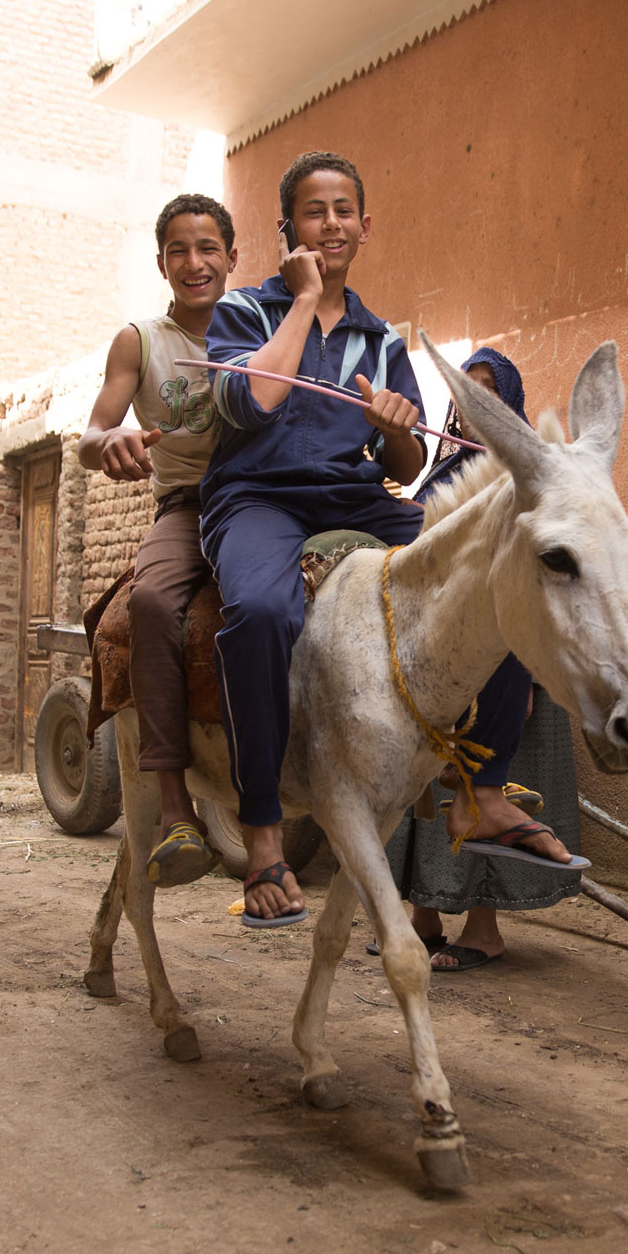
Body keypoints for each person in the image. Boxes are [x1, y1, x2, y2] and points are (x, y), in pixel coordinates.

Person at [200, 151, 430, 926]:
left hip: (352, 497)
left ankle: (484, 786)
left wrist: (392, 428)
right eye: (312, 211)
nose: (330, 223)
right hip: (258, 498)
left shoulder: (383, 338)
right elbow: (254, 404)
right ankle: (263, 825)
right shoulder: (243, 312)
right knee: (262, 612)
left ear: (365, 225)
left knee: (481, 552)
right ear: (287, 230)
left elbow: (407, 462)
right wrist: (302, 302)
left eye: (343, 210)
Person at [385, 348, 584, 970]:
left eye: (491, 393)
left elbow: (522, 587)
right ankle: (422, 919)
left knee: (486, 793)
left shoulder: (519, 478)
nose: (477, 407)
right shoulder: (446, 467)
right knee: (427, 792)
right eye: (469, 393)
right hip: (443, 665)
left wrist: (518, 677)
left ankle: (483, 930)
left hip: (504, 671)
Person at [79, 193, 238, 886]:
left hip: (267, 500)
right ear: (161, 262)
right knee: (149, 603)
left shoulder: (263, 326)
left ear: (233, 257)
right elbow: (89, 436)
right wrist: (108, 441)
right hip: (188, 506)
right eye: (180, 250)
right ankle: (176, 804)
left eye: (208, 249)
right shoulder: (139, 341)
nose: (195, 262)